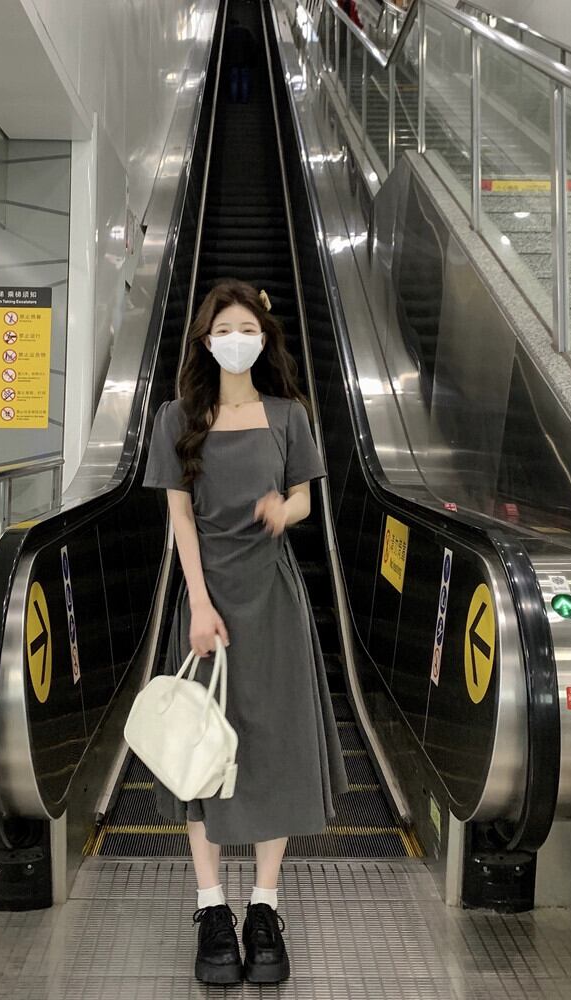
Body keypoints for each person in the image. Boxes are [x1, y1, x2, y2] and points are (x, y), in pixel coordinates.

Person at [142, 279, 349, 985]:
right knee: (200, 747)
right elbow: (179, 517)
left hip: (274, 600)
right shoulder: (177, 416)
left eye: (248, 329)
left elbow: (305, 497)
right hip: (210, 599)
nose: (237, 340)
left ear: (265, 339)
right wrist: (199, 605)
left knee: (273, 746)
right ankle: (211, 908)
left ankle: (264, 904)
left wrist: (284, 511)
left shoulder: (289, 415)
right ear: (206, 341)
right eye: (225, 330)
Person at [224, 18, 258, 103]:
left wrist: (227, 59)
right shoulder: (246, 32)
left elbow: (225, 48)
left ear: (231, 25)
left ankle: (234, 99)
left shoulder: (229, 34)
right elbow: (253, 45)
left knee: (234, 80)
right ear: (238, 23)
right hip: (245, 60)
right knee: (245, 80)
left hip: (232, 61)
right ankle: (244, 99)